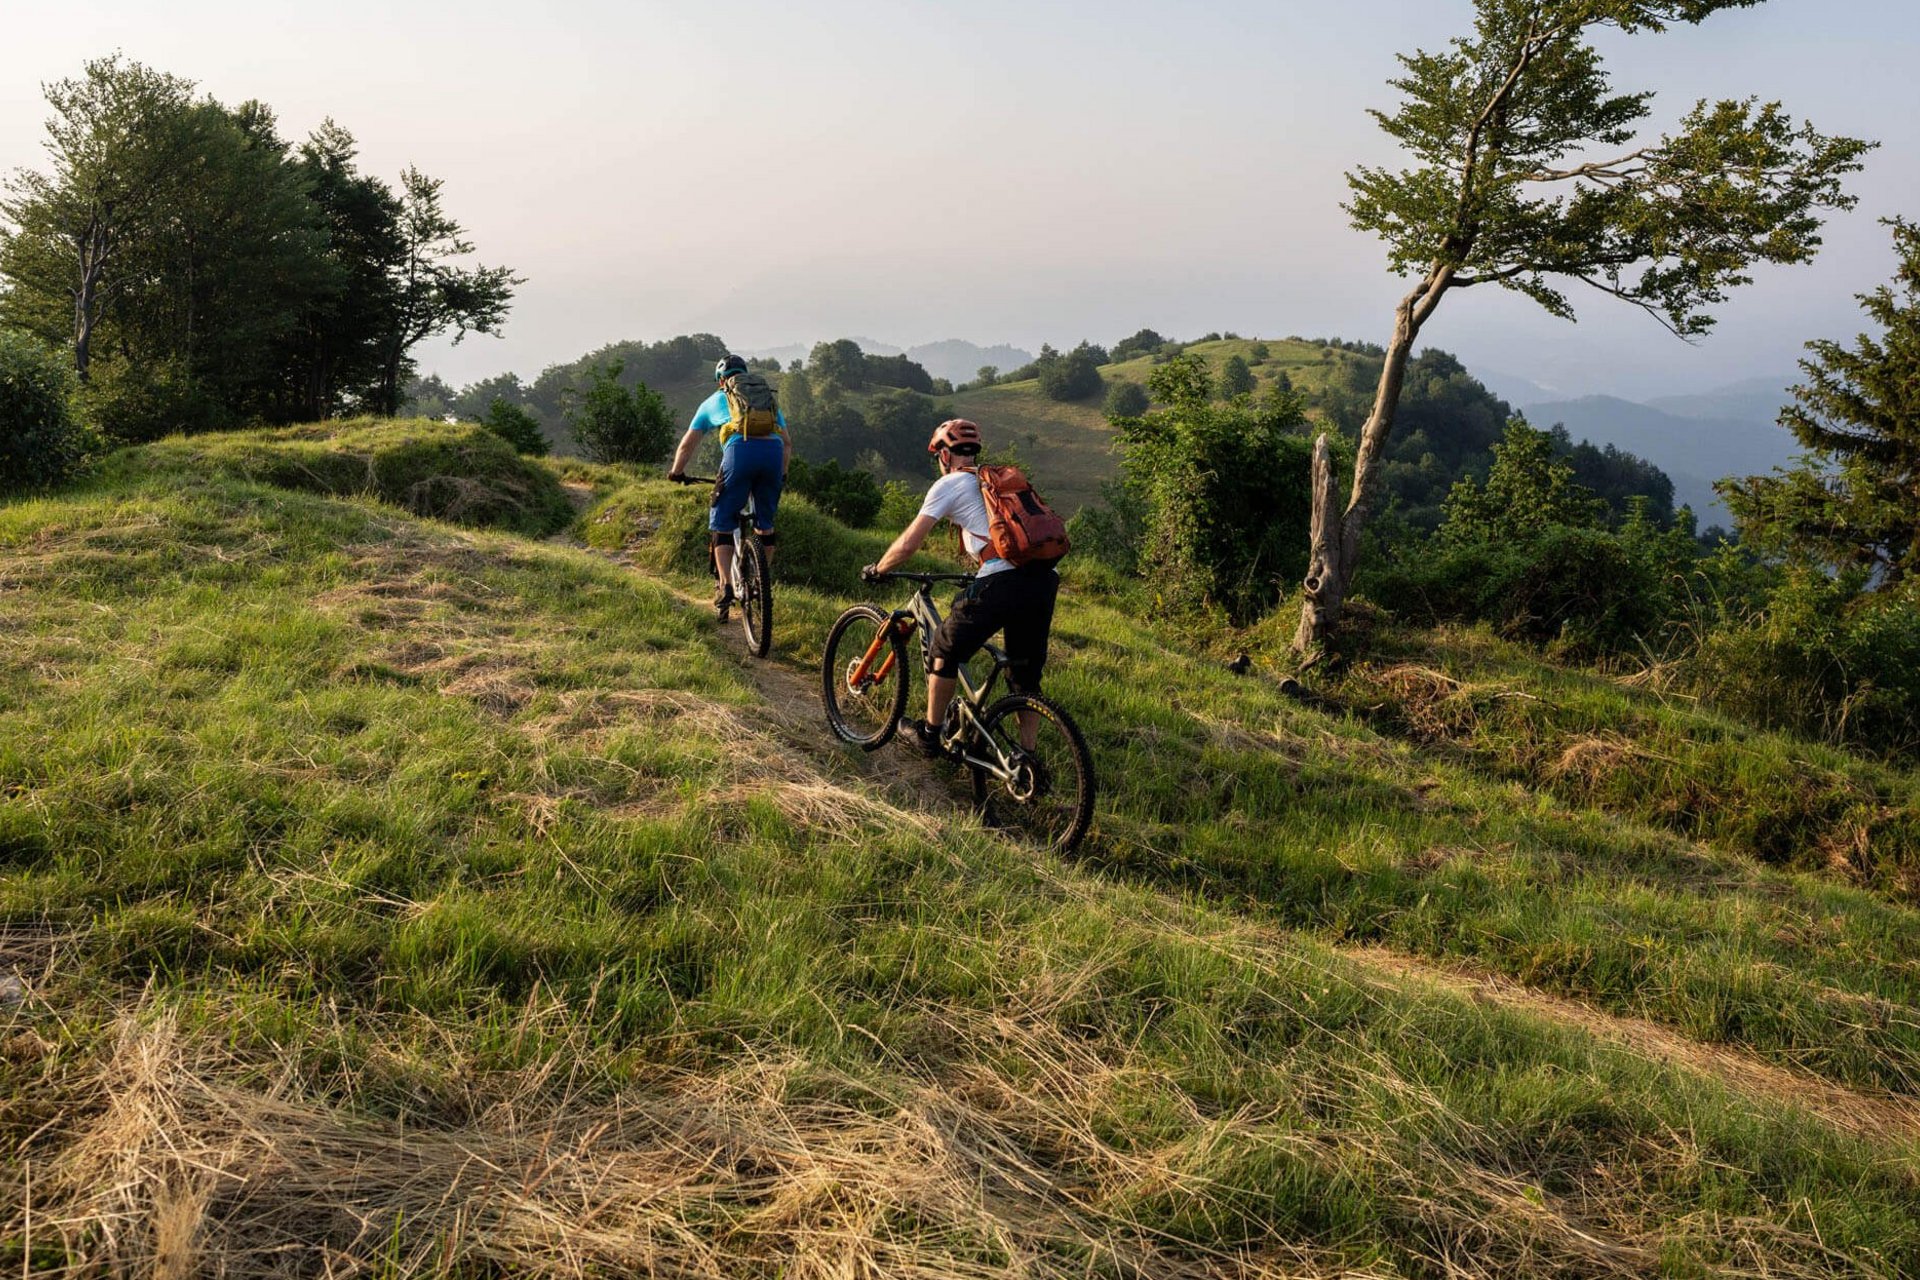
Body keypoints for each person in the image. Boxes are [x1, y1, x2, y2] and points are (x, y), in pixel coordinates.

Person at [863, 418, 1061, 756]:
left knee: (943, 648)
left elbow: (910, 543)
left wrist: (879, 568)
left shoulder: (950, 484)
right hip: (1042, 581)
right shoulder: (993, 482)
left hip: (1002, 581)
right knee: (1024, 677)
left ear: (943, 454)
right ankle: (1026, 758)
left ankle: (929, 735)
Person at [668, 355, 791, 612]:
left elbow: (688, 444)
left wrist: (677, 472)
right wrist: (781, 475)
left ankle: (725, 585)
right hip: (773, 455)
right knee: (765, 526)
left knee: (722, 521)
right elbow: (787, 443)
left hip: (739, 454)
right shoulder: (765, 400)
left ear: (721, 380)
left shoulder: (714, 400)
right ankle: (760, 582)